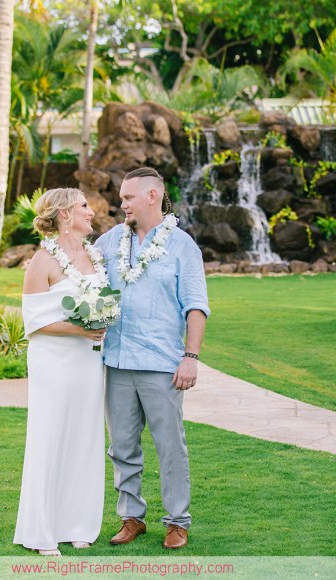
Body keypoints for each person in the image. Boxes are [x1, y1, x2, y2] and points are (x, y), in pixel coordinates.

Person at [95, 167, 209, 550]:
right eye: (122, 197)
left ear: (152, 196)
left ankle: (177, 521)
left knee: (169, 445)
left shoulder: (181, 246)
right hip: (116, 362)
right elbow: (83, 280)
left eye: (128, 197)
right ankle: (131, 517)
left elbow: (196, 306)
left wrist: (190, 357)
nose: (121, 203)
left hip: (162, 364)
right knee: (122, 446)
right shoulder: (110, 241)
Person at [14, 188, 109, 556]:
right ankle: (42, 530)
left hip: (88, 360)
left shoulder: (95, 256)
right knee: (50, 436)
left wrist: (99, 323)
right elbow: (33, 321)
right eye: (84, 206)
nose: (91, 211)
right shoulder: (42, 260)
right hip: (53, 361)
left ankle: (78, 523)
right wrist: (79, 329)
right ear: (66, 213)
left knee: (84, 437)